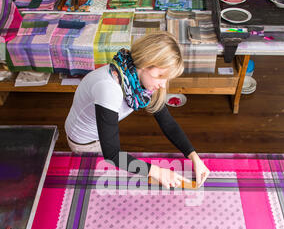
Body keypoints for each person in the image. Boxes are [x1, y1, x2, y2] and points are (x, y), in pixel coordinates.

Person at [65, 31, 209, 189]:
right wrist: (158, 172)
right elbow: (112, 155)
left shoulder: (138, 79)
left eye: (166, 78)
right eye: (160, 75)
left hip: (100, 133)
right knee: (105, 187)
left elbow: (167, 122)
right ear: (145, 63)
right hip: (85, 142)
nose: (162, 84)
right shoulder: (109, 89)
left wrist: (194, 157)